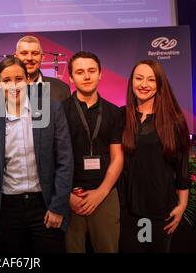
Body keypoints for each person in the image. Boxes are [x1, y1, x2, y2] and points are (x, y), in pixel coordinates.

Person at [0, 56, 73, 253]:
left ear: (27, 80)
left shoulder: (52, 109)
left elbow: (65, 161)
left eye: (18, 79)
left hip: (45, 205)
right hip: (8, 208)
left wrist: (57, 206)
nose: (13, 85)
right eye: (6, 81)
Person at [119, 59, 190, 253]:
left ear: (159, 83)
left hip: (161, 211)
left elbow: (182, 165)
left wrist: (182, 204)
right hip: (128, 211)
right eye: (139, 78)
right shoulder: (121, 116)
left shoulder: (173, 119)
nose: (143, 84)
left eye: (151, 79)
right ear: (131, 81)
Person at [63, 51, 124, 253]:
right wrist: (66, 195)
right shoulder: (59, 111)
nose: (87, 76)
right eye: (80, 72)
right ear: (71, 77)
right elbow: (53, 158)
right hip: (70, 197)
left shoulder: (115, 112)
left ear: (100, 74)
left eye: (91, 71)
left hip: (105, 196)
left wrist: (101, 192)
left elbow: (117, 157)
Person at [0, 35, 70, 118]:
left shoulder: (61, 88)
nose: (29, 58)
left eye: (34, 53)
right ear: (15, 56)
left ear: (42, 57)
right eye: (24, 53)